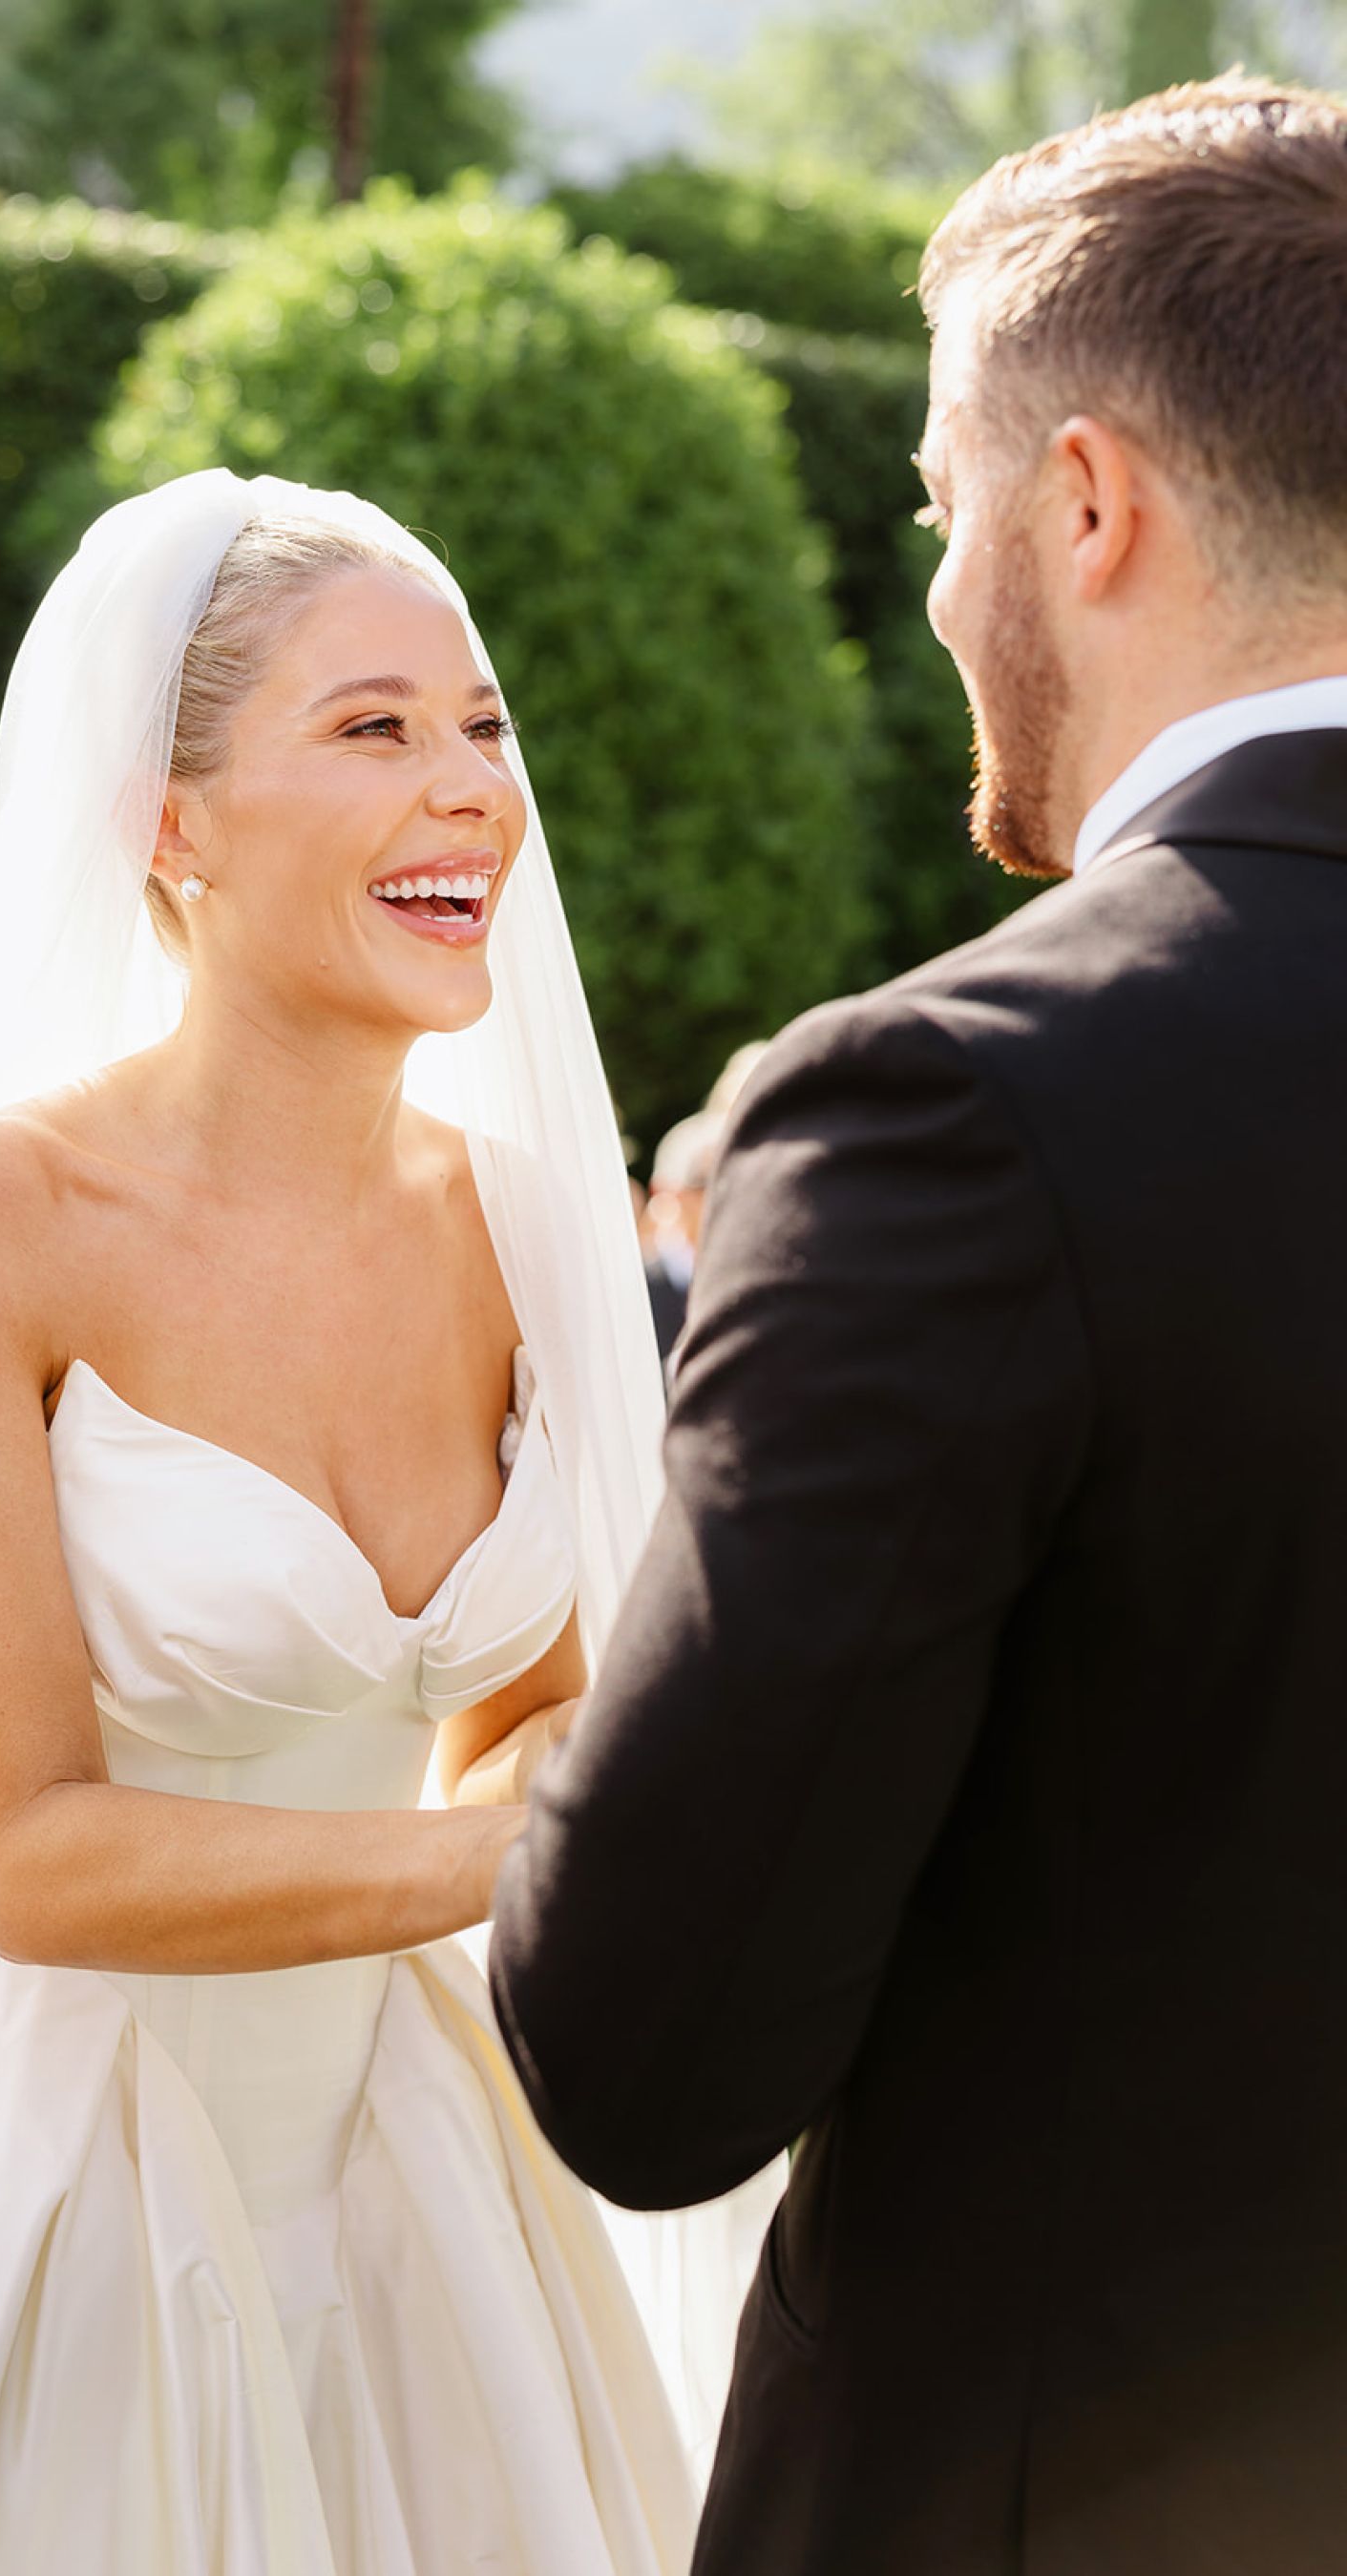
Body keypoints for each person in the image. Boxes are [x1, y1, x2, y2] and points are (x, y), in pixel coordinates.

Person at [0, 479, 698, 2573]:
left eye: (484, 727)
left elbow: (523, 1705)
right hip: (36, 2175)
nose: (471, 789)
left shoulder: (526, 1225)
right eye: (375, 729)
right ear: (170, 819)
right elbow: (28, 1849)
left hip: (406, 2172)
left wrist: (619, 1785)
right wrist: (543, 1855)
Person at [492, 76, 1347, 2576]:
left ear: (1088, 504)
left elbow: (651, 2053)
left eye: (944, 498)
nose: (942, 574)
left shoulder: (959, 1109)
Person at [641, 1110, 725, 1370]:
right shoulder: (636, 1286)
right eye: (704, 1180)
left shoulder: (766, 1279)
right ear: (664, 1190)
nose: (721, 1192)